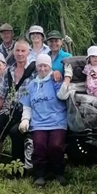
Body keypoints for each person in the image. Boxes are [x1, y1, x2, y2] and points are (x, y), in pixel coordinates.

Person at [0, 40, 37, 167]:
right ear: (13, 52)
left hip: (28, 111)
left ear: (28, 52)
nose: (20, 54)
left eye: (23, 51)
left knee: (15, 132)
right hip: (10, 110)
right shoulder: (8, 71)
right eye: (17, 50)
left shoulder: (35, 69)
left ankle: (17, 168)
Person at [19, 54, 70, 186]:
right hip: (38, 123)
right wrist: (25, 119)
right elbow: (27, 105)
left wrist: (66, 79)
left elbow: (63, 96)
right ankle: (39, 175)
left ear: (49, 67)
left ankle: (58, 172)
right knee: (39, 146)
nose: (42, 69)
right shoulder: (31, 85)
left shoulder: (55, 79)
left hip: (57, 121)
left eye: (45, 66)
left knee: (55, 146)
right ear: (36, 67)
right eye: (40, 66)